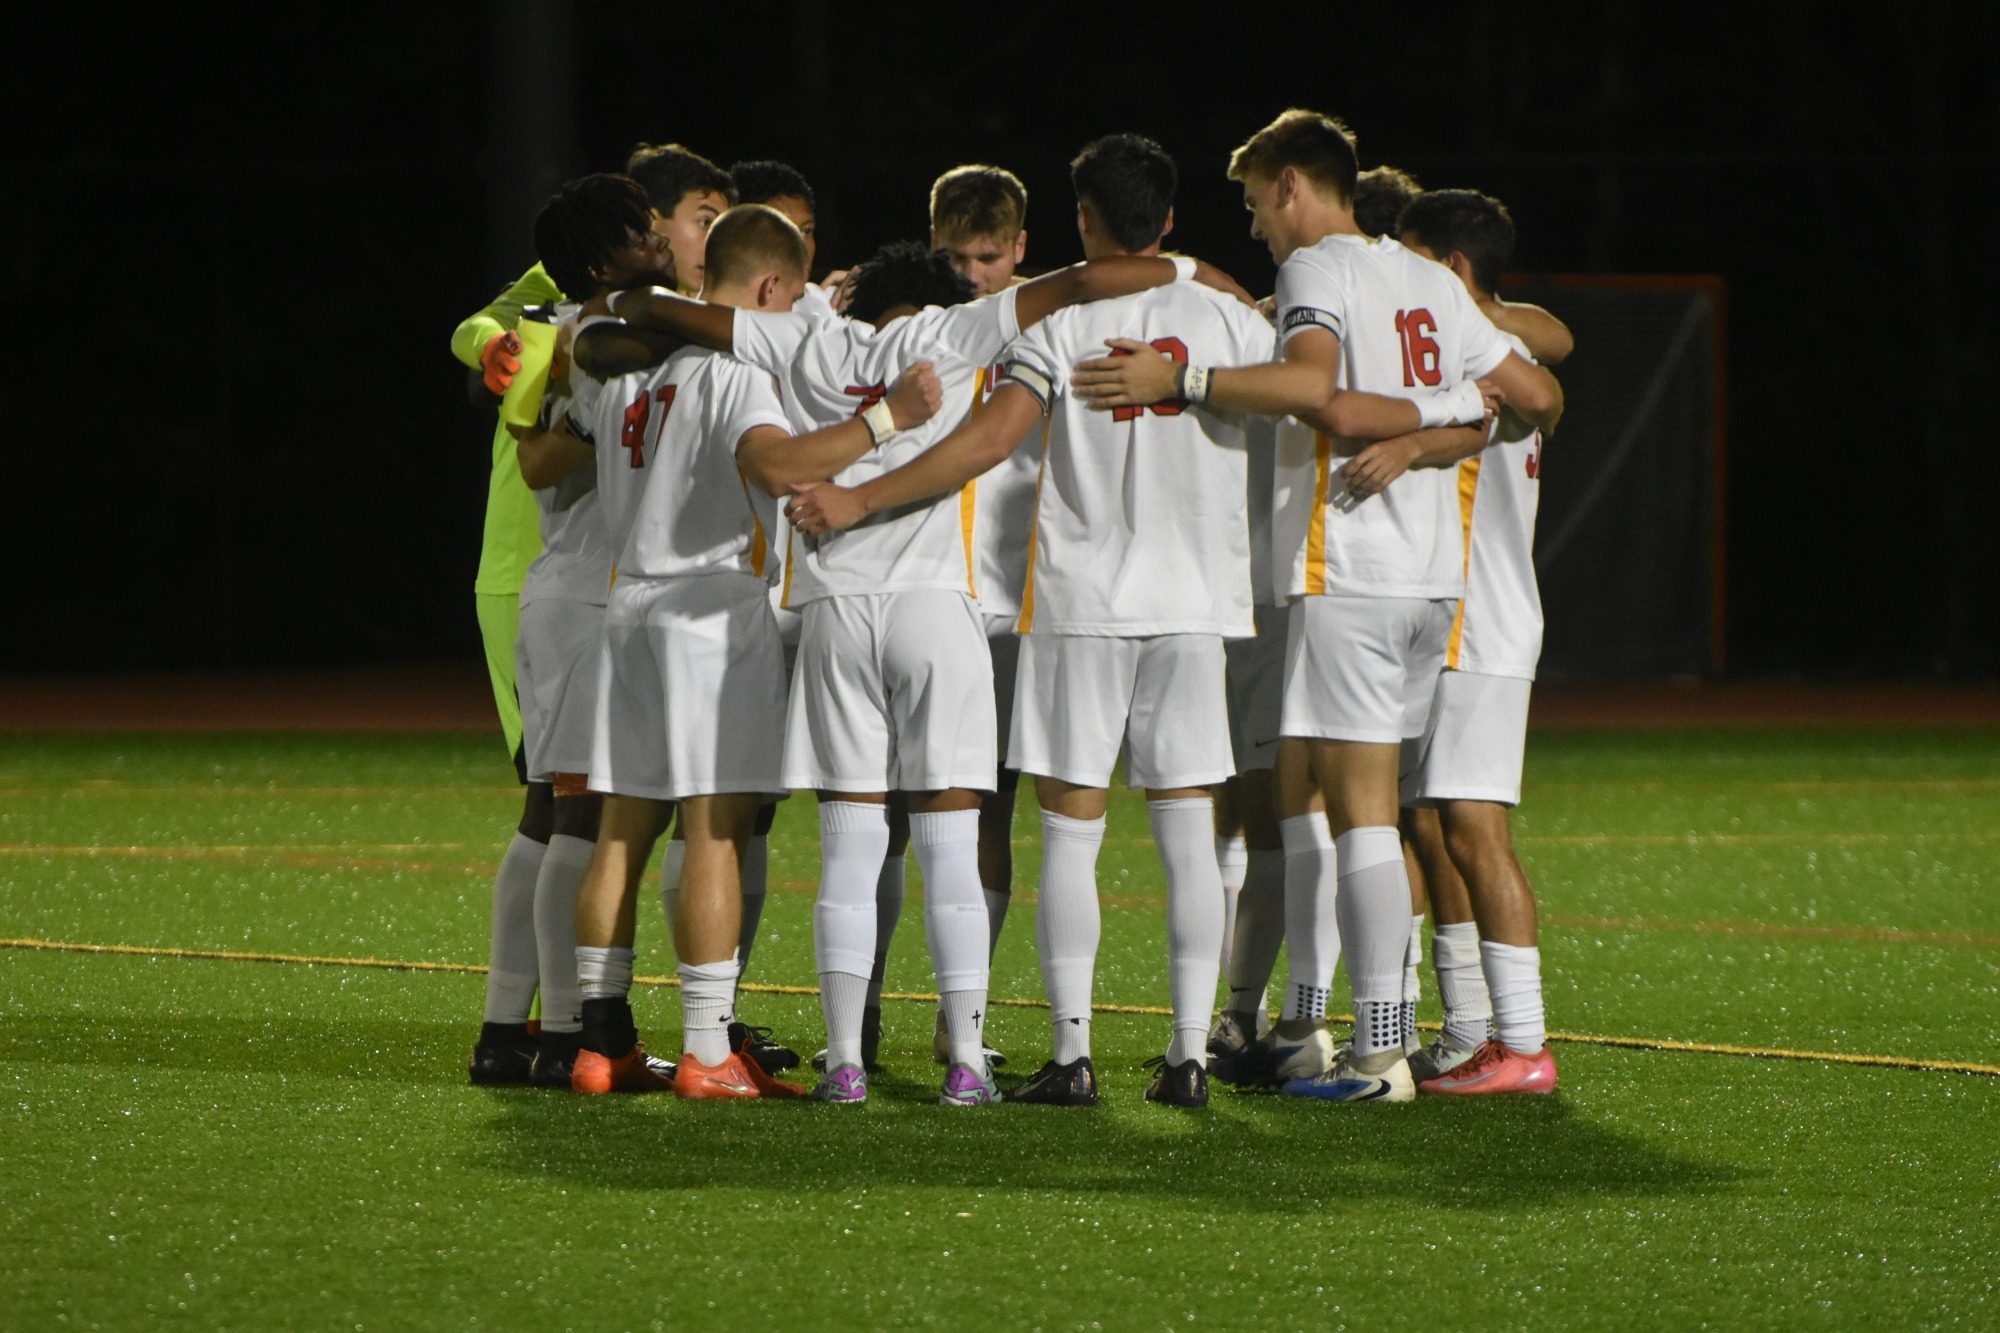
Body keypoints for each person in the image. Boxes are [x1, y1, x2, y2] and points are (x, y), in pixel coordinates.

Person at [1069, 108, 1564, 1104]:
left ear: (1292, 184)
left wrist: (1186, 378)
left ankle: (1376, 1053)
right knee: (1357, 813)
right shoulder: (1426, 278)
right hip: (1430, 581)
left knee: (1363, 820)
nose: (1255, 223)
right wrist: (1437, 419)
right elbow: (1531, 392)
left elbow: (1317, 394)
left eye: (1255, 200)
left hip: (1351, 571)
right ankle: (1346, 1032)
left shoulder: (1318, 272)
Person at [788, 133, 1272, 1110]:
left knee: (1059, 834)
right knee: (1182, 836)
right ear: (1167, 219)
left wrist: (858, 495)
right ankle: (1183, 1053)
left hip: (1067, 604)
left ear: (1077, 225)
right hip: (1186, 605)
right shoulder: (1225, 321)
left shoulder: (1041, 332)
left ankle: (1067, 1051)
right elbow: (1299, 376)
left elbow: (984, 444)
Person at [562, 205, 938, 1098]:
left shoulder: (634, 374)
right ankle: (704, 1048)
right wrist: (886, 421)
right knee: (713, 831)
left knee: (621, 828)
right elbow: (777, 466)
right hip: (708, 608)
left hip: (628, 603)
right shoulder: (738, 368)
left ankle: (597, 1039)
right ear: (770, 287)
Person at [480, 174, 676, 1089]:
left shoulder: (578, 331)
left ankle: (510, 1033)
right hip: (587, 593)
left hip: (585, 592)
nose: (665, 238)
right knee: (579, 816)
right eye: (646, 229)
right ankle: (565, 1035)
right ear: (604, 258)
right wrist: (626, 425)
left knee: (558, 815)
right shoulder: (576, 340)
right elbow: (535, 455)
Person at [1394, 188, 1568, 1095]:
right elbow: (1551, 333)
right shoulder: (1506, 339)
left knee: (1477, 831)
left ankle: (1525, 1043)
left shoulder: (1491, 357)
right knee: (1439, 827)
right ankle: (1469, 1031)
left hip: (1480, 620)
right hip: (1459, 621)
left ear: (1453, 269)